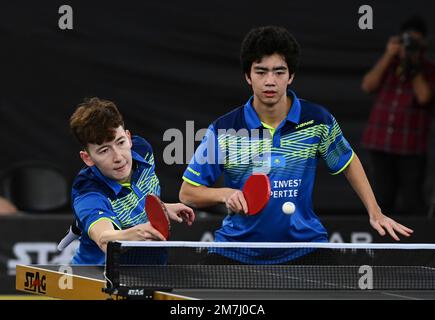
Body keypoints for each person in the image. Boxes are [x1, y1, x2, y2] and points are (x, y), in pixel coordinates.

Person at [179, 26, 413, 264]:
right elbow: (187, 193)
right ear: (248, 76)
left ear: (290, 76)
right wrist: (225, 194)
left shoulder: (316, 120)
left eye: (279, 72)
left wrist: (375, 212)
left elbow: (347, 160)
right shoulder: (223, 130)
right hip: (236, 249)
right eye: (261, 72)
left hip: (304, 247)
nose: (270, 81)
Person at [66, 97, 195, 265]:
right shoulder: (88, 191)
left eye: (120, 142)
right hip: (98, 278)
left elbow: (132, 197)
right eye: (104, 151)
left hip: (149, 271)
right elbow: (104, 238)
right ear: (88, 158)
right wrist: (139, 232)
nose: (118, 157)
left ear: (128, 137)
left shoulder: (142, 151)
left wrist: (163, 207)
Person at [361, 16, 435, 216]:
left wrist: (413, 63)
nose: (409, 45)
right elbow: (368, 85)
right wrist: (389, 54)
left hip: (410, 146)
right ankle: (381, 242)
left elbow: (424, 97)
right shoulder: (389, 65)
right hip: (381, 142)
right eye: (406, 40)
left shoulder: (428, 69)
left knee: (413, 200)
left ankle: (417, 243)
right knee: (381, 198)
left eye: (414, 42)